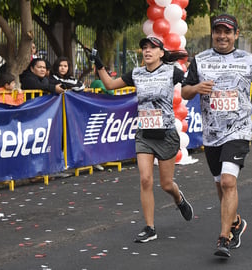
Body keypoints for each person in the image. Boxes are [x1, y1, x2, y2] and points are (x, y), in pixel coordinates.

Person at [181, 14, 252, 258]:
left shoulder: (248, 60)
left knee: (228, 182)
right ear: (213, 34)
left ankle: (224, 238)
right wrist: (195, 88)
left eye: (227, 32)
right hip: (212, 133)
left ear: (236, 35)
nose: (222, 36)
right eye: (218, 31)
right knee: (220, 183)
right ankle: (236, 222)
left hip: (238, 130)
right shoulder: (200, 60)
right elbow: (185, 91)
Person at [89, 36, 194, 243]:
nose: (147, 51)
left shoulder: (171, 71)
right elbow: (109, 85)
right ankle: (150, 227)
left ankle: (179, 198)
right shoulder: (136, 73)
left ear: (161, 53)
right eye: (144, 48)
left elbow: (191, 85)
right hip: (144, 134)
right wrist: (98, 62)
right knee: (145, 179)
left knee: (166, 184)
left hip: (165, 134)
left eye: (152, 48)